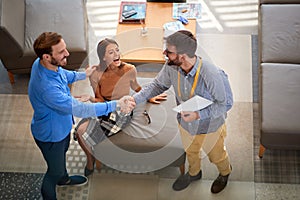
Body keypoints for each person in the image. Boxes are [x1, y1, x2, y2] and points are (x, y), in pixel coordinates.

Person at [28, 32, 135, 200]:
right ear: (47, 56)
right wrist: (116, 104)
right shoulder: (48, 89)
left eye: (65, 49)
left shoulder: (41, 63)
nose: (67, 54)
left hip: (61, 129)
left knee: (62, 157)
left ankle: (64, 179)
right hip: (51, 136)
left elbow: (63, 74)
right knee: (52, 173)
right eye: (61, 52)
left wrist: (82, 74)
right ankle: (54, 186)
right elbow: (83, 110)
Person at [131, 30, 233, 193]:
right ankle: (194, 173)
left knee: (217, 156)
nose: (164, 54)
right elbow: (158, 85)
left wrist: (198, 115)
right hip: (185, 124)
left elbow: (226, 104)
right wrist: (134, 99)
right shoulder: (171, 66)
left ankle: (225, 172)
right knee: (191, 152)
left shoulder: (213, 74)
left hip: (210, 127)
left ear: (183, 56)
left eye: (169, 52)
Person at [74, 38, 167, 176]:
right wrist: (90, 98)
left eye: (117, 50)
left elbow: (137, 88)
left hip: (122, 111)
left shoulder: (129, 69)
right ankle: (90, 158)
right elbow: (99, 99)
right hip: (104, 106)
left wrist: (150, 97)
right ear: (103, 57)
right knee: (79, 131)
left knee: (85, 132)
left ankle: (94, 153)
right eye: (111, 52)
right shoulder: (95, 74)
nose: (116, 54)